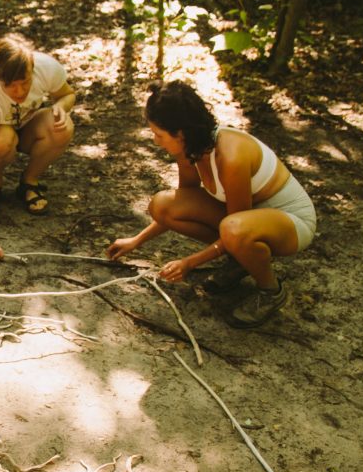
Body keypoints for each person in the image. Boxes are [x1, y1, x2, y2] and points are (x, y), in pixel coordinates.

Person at [106, 80, 317, 328]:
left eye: (159, 134)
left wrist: (190, 262)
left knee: (234, 230)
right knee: (162, 205)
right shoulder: (190, 150)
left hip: (292, 223)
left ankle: (271, 291)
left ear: (181, 133)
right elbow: (182, 204)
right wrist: (137, 240)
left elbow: (236, 224)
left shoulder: (231, 155)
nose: (155, 141)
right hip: (244, 221)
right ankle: (242, 261)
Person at [0, 34, 76, 260]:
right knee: (3, 137)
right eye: (11, 86)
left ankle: (29, 181)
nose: (20, 92)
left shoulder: (46, 67)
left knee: (62, 126)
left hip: (25, 124)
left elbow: (68, 94)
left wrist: (61, 106)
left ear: (33, 69)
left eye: (25, 83)